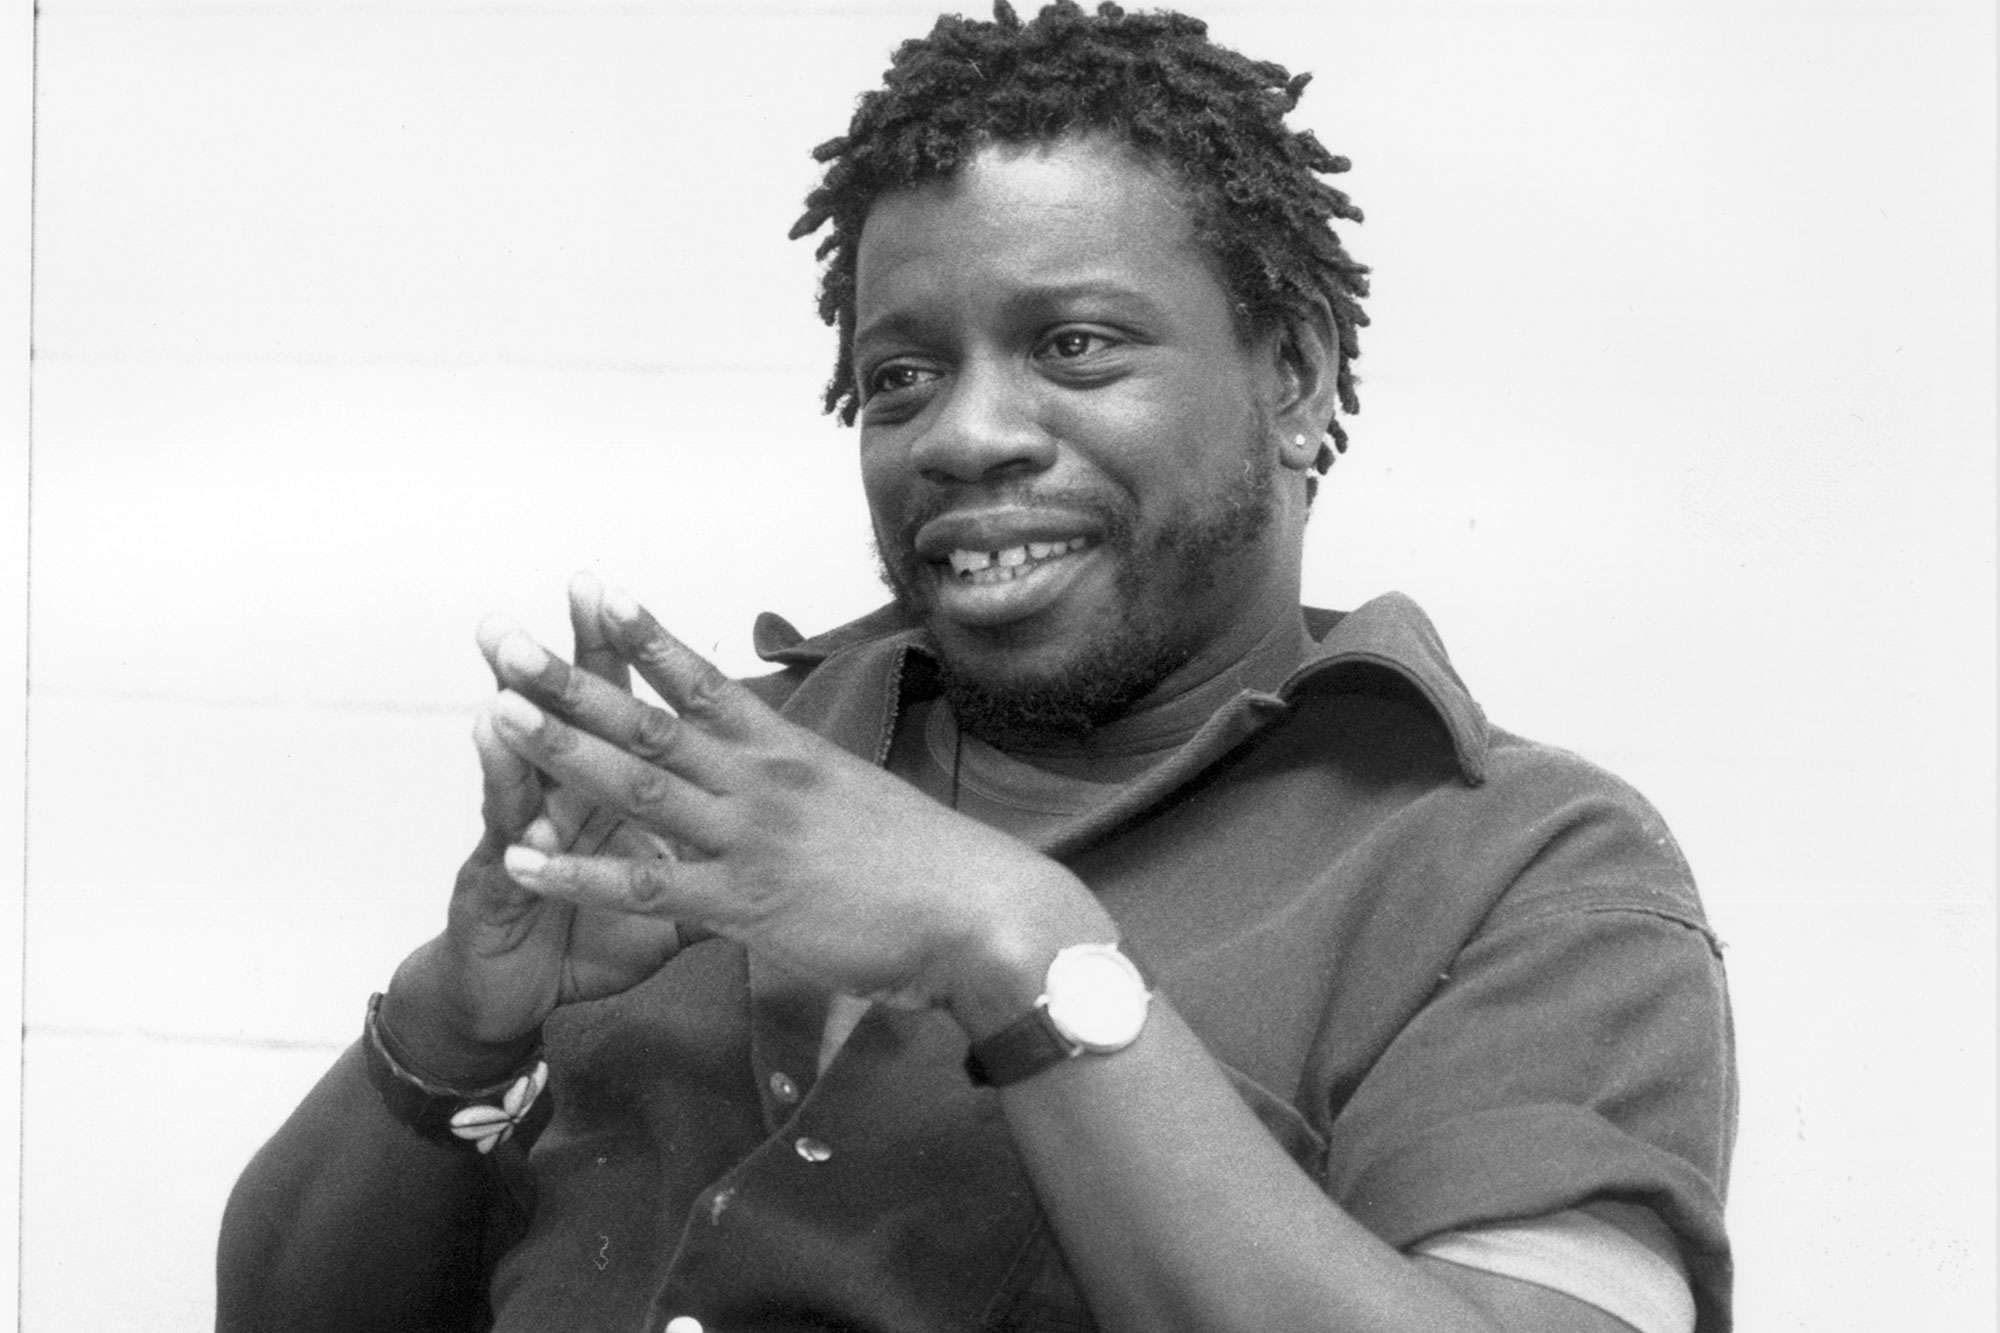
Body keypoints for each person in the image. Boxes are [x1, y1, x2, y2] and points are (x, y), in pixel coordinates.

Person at [217, 3, 1736, 1330]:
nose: (961, 433)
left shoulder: (1530, 872)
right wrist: (458, 1020)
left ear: (1296, 375)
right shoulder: (716, 774)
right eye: (900, 376)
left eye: (1075, 344)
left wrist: (1018, 942)